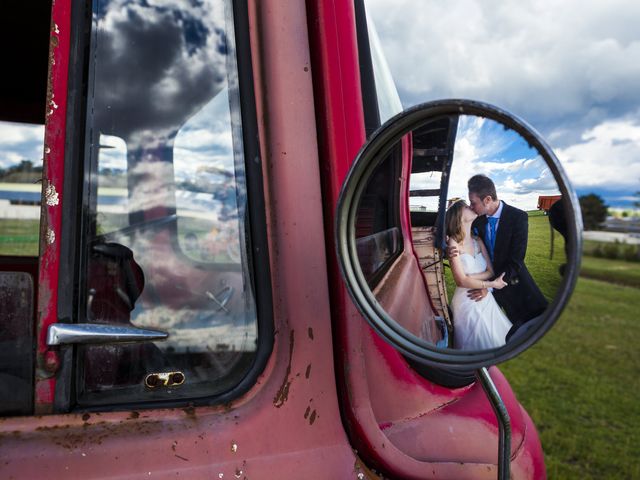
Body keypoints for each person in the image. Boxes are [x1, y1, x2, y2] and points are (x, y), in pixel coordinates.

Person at [463, 174, 548, 340]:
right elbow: (460, 232)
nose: (471, 207)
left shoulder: (518, 217)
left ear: (487, 199)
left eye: (473, 203)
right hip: (489, 294)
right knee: (503, 335)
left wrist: (490, 287)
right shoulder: (477, 221)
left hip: (518, 289)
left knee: (530, 335)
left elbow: (516, 260)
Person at [445, 199, 512, 350]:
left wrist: (470, 279)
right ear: (459, 216)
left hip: (484, 297)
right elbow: (460, 281)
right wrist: (491, 284)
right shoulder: (453, 244)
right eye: (467, 207)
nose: (471, 207)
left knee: (497, 340)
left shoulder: (478, 240)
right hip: (466, 301)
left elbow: (491, 271)